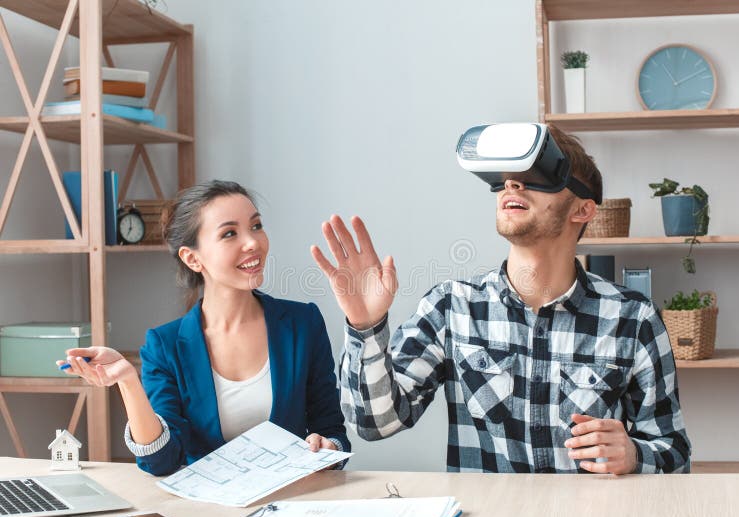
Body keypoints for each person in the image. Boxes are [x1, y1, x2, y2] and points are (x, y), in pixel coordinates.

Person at [311, 125, 690, 474]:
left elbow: (675, 455)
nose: (512, 185)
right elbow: (373, 424)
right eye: (505, 178)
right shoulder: (451, 308)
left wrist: (635, 455)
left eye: (536, 175)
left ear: (583, 208)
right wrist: (366, 328)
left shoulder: (632, 318)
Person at [59, 180, 349, 476]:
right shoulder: (165, 345)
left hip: (289, 505)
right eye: (229, 233)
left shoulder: (303, 324)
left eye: (256, 226)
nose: (252, 242)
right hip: (208, 513)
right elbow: (161, 462)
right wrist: (128, 381)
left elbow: (332, 430)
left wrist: (328, 448)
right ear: (192, 258)